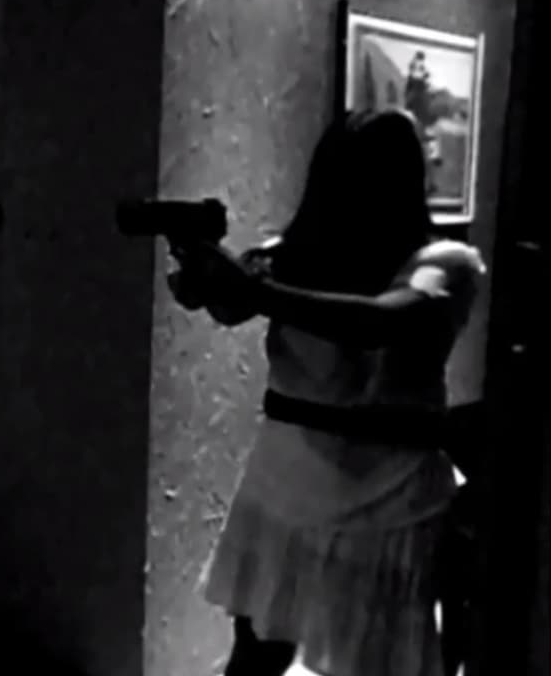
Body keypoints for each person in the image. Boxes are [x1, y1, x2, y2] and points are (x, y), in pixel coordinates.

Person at [168, 108, 485, 676]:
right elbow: (228, 306)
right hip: (294, 485)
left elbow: (383, 321)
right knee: (258, 658)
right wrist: (209, 278)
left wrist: (253, 290)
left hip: (384, 497)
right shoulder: (295, 255)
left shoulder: (443, 263)